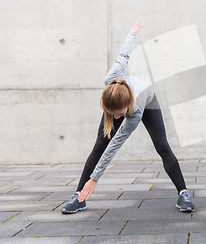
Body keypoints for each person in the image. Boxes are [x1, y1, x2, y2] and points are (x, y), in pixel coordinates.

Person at [61, 21, 194, 214]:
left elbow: (115, 145)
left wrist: (95, 178)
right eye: (112, 114)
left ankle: (183, 193)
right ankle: (79, 197)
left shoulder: (136, 110)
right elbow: (124, 55)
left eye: (120, 115)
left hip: (148, 101)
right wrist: (132, 32)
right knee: (99, 144)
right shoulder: (111, 80)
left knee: (162, 145)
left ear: (127, 108)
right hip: (121, 98)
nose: (116, 118)